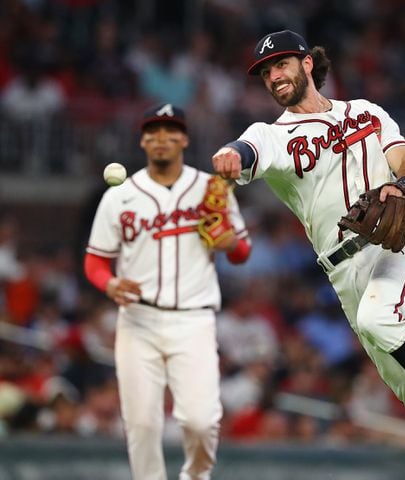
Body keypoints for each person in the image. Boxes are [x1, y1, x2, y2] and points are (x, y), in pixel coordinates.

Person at [211, 30, 405, 478]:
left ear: (307, 64)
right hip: (345, 275)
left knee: (379, 320)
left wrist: (403, 186)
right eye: (266, 71)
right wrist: (231, 154)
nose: (273, 75)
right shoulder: (274, 135)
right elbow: (248, 149)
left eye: (281, 64)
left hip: (395, 246)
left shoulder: (365, 112)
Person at [84, 103, 251, 480]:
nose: (162, 138)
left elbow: (242, 251)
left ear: (184, 138)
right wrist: (109, 284)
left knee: (200, 421)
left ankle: (195, 475)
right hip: (138, 320)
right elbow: (95, 261)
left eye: (170, 131)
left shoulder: (212, 188)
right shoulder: (120, 196)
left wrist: (229, 244)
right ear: (143, 140)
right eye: (154, 132)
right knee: (141, 425)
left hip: (193, 319)